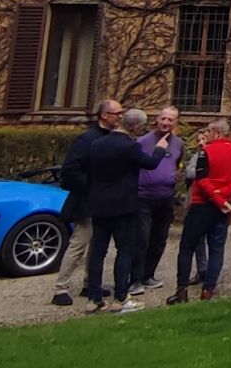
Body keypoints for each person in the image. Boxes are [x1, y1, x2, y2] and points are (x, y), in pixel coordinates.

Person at [84, 108, 171, 313]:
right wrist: (159, 148)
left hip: (99, 204)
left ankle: (94, 297)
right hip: (123, 205)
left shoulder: (97, 144)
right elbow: (150, 164)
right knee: (124, 250)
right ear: (135, 127)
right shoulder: (129, 147)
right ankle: (121, 298)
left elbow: (89, 172)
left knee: (98, 251)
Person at [51, 98, 121, 307]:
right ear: (104, 115)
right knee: (79, 244)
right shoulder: (86, 140)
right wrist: (92, 189)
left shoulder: (112, 138)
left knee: (98, 246)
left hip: (104, 201)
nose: (120, 116)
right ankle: (60, 287)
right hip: (86, 200)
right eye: (117, 113)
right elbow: (70, 171)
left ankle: (90, 283)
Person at [167, 119, 231, 304]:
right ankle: (208, 290)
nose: (206, 135)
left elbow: (201, 179)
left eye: (209, 131)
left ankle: (182, 290)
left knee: (187, 246)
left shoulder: (206, 152)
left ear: (217, 133)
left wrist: (216, 196)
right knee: (217, 248)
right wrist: (224, 195)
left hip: (202, 205)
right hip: (225, 205)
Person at [133, 105, 184, 294]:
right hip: (143, 197)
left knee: (159, 238)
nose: (166, 122)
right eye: (163, 119)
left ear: (175, 122)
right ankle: (135, 278)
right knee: (141, 239)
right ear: (157, 119)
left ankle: (149, 274)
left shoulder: (178, 143)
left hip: (166, 198)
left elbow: (178, 164)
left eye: (170, 120)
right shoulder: (143, 142)